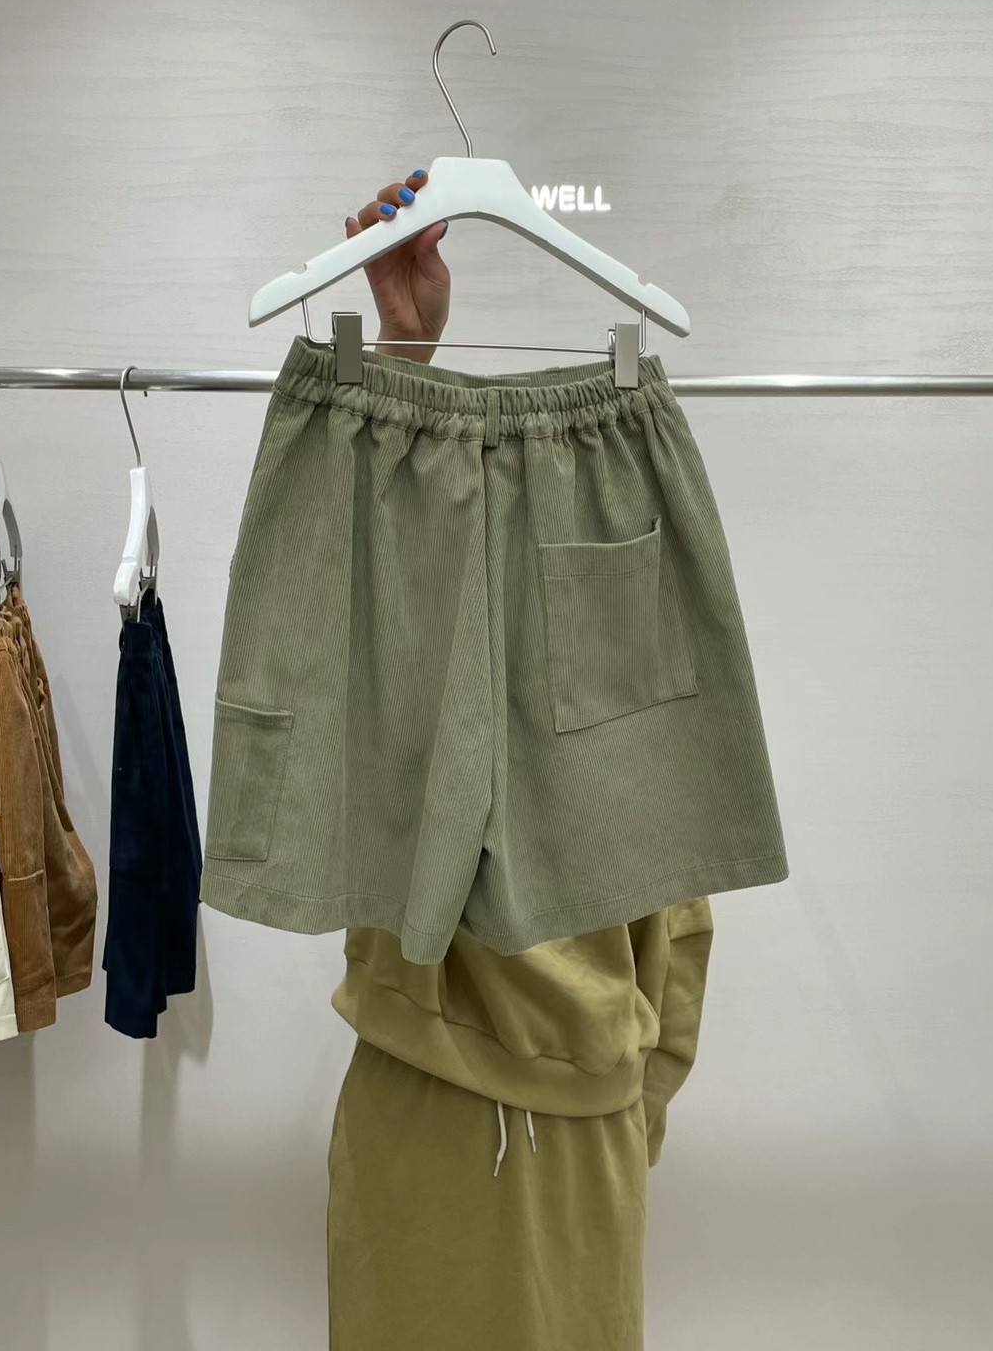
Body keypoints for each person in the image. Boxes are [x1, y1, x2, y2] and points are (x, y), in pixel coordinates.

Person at [322, 171, 716, 1351]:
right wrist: (404, 353)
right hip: (447, 1102)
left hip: (556, 1117)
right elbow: (355, 623)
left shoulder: (618, 603)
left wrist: (624, 1099)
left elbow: (680, 902)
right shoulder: (430, 647)